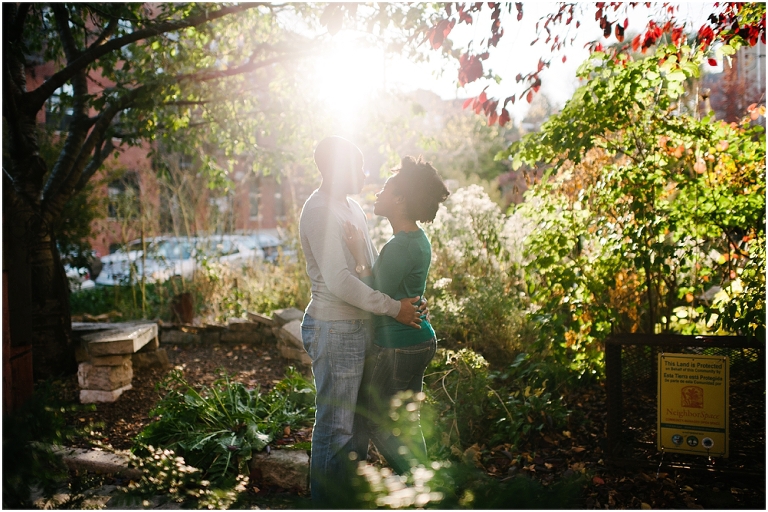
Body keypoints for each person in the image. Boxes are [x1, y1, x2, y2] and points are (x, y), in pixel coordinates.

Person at [298, 136, 425, 507]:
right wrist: (392, 307)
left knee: (356, 430)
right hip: (335, 328)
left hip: (359, 327)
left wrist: (408, 301)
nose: (366, 174)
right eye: (358, 166)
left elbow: (368, 270)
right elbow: (339, 281)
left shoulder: (350, 207)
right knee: (336, 429)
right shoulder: (320, 211)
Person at [344, 155, 449, 475]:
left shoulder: (399, 246)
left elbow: (371, 295)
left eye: (386, 188)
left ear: (401, 199)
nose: (378, 192)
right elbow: (404, 290)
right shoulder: (419, 240)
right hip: (419, 340)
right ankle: (426, 481)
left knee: (377, 422)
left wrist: (359, 254)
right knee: (407, 420)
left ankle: (418, 486)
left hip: (398, 346)